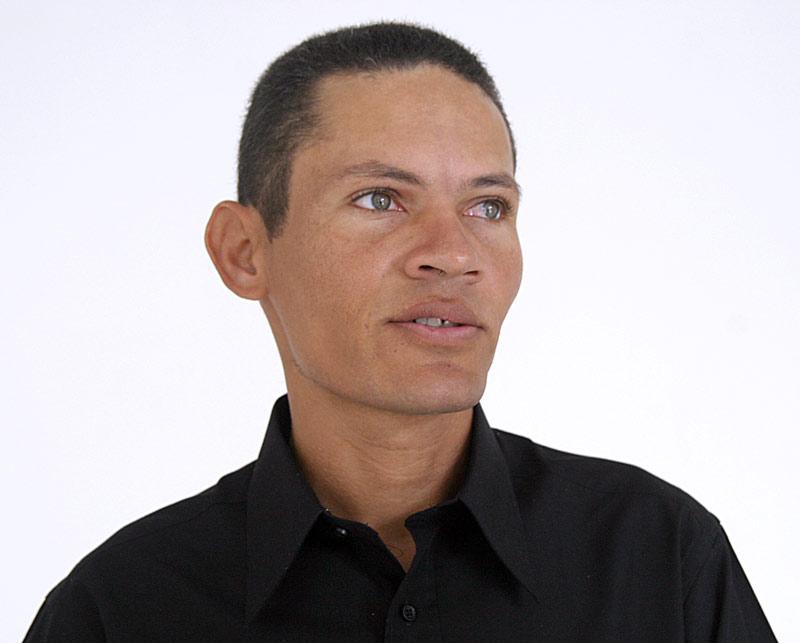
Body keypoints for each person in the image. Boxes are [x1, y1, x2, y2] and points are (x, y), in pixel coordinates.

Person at [25, 22, 775, 641]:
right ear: (245, 252)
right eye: (380, 198)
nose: (453, 253)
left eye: (488, 207)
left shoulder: (660, 559)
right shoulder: (119, 610)